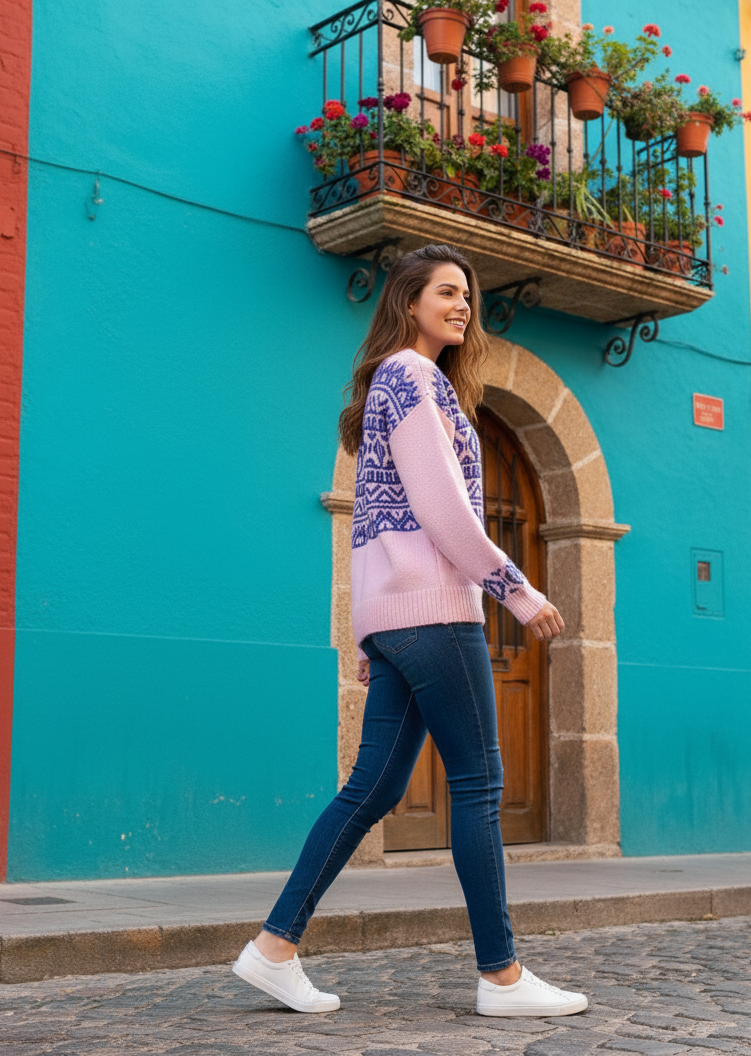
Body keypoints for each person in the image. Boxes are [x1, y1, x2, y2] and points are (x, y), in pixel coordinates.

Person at [231, 243, 587, 1018]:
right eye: (447, 292)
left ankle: (273, 948)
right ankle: (501, 977)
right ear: (409, 300)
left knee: (374, 786)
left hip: (399, 619)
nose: (463, 304)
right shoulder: (413, 377)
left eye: (469, 294)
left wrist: (369, 634)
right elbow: (441, 511)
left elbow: (372, 526)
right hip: (433, 612)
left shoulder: (395, 382)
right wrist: (516, 590)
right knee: (480, 786)